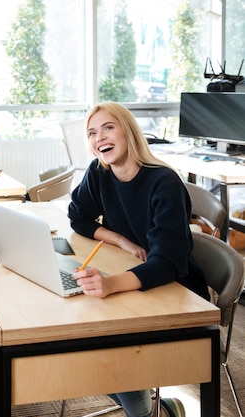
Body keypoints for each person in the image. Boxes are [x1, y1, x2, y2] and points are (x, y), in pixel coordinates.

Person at [68, 101, 209, 417]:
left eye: (108, 127)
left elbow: (168, 263)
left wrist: (111, 284)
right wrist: (122, 240)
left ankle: (147, 413)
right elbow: (78, 216)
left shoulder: (164, 183)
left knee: (108, 341)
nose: (99, 137)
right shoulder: (100, 172)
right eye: (92, 132)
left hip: (178, 289)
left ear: (128, 130)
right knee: (80, 332)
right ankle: (153, 408)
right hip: (135, 271)